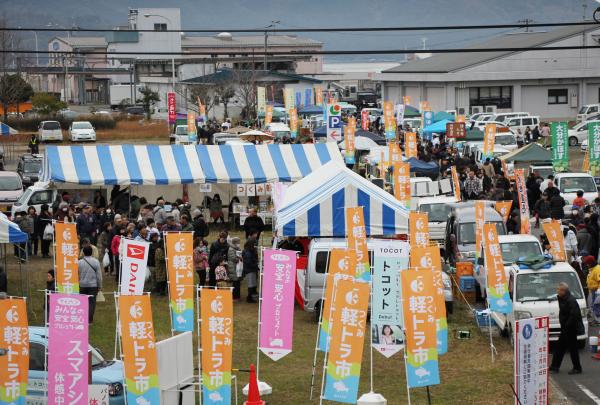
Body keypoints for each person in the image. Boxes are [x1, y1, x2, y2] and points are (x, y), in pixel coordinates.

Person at [549, 282, 584, 375]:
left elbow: (574, 315)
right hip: (565, 328)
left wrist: (567, 325)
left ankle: (577, 368)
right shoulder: (562, 298)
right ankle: (554, 366)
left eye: (559, 289)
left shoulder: (571, 300)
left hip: (570, 328)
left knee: (573, 348)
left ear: (563, 291)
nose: (557, 291)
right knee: (560, 347)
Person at [78, 245, 102, 324]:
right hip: (93, 285)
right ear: (92, 252)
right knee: (92, 303)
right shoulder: (96, 261)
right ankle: (90, 320)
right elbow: (99, 276)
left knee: (82, 302)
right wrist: (99, 286)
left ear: (83, 252)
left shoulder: (79, 262)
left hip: (82, 285)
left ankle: (83, 318)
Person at [243, 232, 260, 303]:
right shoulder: (247, 252)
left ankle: (251, 296)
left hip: (251, 269)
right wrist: (256, 266)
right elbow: (249, 262)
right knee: (251, 284)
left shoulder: (250, 250)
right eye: (254, 244)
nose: (255, 245)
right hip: (249, 270)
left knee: (253, 283)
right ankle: (249, 298)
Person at [585, 256, 600, 326]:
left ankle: (598, 320)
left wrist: (599, 291)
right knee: (593, 305)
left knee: (596, 305)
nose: (587, 265)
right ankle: (596, 320)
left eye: (588, 263)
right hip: (593, 290)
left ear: (591, 263)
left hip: (596, 290)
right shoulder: (592, 269)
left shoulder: (597, 269)